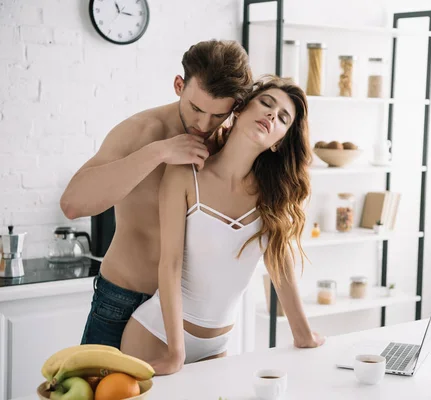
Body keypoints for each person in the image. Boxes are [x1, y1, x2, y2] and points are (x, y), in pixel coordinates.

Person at [120, 76, 326, 375]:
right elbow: (171, 264)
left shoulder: (273, 196)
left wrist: (303, 334)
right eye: (266, 104)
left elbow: (280, 266)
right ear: (239, 110)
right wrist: (176, 353)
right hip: (157, 336)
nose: (271, 115)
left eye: (283, 118)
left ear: (278, 142)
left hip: (217, 347)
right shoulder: (185, 175)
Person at [59, 40, 254, 348]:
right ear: (179, 85)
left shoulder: (234, 145)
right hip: (126, 300)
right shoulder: (142, 131)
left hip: (196, 315)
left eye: (219, 115)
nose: (204, 124)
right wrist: (158, 153)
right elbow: (72, 204)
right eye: (196, 108)